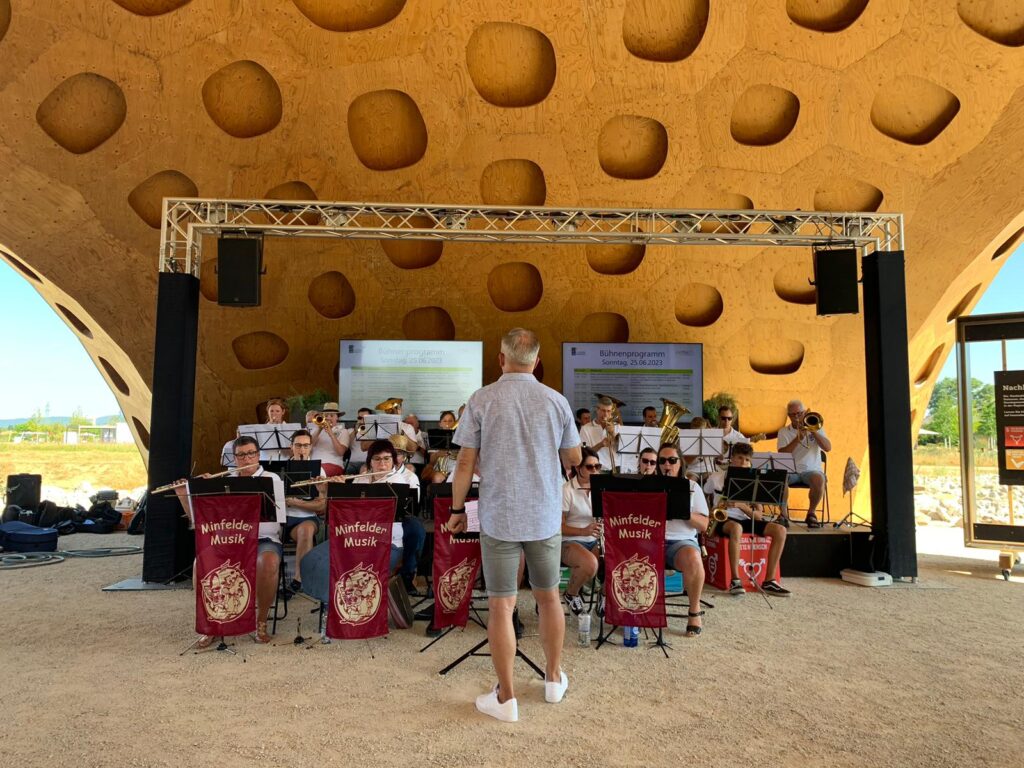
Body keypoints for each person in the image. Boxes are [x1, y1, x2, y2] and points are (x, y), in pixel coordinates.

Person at [449, 328, 581, 722]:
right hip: (543, 516)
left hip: (500, 516)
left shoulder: (481, 399)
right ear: (537, 362)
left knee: (501, 605)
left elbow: (464, 463)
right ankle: (553, 680)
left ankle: (506, 698)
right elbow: (574, 457)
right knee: (549, 598)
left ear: (500, 359)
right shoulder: (556, 400)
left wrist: (457, 509)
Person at [175, 435, 286, 645]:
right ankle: (212, 621)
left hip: (263, 538)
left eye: (251, 454)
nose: (246, 459)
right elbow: (199, 521)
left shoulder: (271, 479)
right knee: (201, 563)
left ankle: (260, 621)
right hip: (230, 541)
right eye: (241, 455)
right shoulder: (225, 480)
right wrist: (190, 492)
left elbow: (278, 518)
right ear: (234, 458)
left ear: (258, 455)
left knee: (269, 561)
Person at [703, 443, 790, 596]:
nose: (743, 463)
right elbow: (704, 495)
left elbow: (758, 515)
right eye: (740, 458)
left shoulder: (754, 482)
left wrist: (741, 505)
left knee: (780, 530)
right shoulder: (716, 477)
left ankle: (769, 581)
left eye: (747, 460)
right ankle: (735, 580)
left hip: (745, 518)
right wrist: (709, 511)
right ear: (732, 459)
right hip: (723, 519)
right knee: (736, 528)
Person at [352, 439, 425, 594]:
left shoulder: (399, 480)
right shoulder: (362, 477)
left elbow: (411, 508)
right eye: (377, 459)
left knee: (415, 528)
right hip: (363, 530)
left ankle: (407, 574)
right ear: (370, 461)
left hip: (388, 528)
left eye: (387, 459)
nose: (382, 464)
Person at [656, 442, 709, 637]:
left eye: (672, 460)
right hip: (651, 539)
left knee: (693, 558)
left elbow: (704, 525)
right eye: (662, 461)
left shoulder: (692, 487)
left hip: (680, 542)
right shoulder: (649, 484)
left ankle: (694, 611)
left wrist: (684, 511)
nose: (667, 465)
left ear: (680, 463)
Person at [282, 429, 325, 596]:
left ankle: (298, 580)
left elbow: (321, 506)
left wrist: (296, 502)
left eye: (306, 446)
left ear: (311, 447)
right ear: (291, 447)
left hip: (306, 518)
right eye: (298, 445)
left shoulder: (319, 470)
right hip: (281, 518)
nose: (302, 449)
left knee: (305, 530)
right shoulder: (281, 468)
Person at [561, 448, 602, 615]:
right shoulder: (566, 489)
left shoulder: (601, 487)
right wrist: (583, 531)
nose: (595, 471)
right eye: (589, 467)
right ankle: (571, 593)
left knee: (617, 558)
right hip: (569, 540)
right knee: (590, 564)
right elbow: (558, 527)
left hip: (595, 539)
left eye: (597, 466)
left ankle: (605, 595)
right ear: (578, 468)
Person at [777, 400, 832, 528]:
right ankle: (783, 515)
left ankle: (811, 514)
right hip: (791, 471)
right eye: (793, 415)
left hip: (811, 470)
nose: (796, 417)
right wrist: (798, 439)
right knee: (780, 478)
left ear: (805, 412)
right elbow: (782, 453)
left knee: (819, 479)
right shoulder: (784, 431)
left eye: (799, 413)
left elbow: (828, 448)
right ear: (788, 416)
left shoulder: (816, 426)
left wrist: (813, 431)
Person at [307, 402, 350, 477]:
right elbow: (308, 446)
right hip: (314, 464)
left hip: (333, 464)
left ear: (337, 417)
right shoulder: (316, 430)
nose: (328, 418)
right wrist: (319, 429)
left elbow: (341, 452)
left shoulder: (343, 431)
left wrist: (331, 433)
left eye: (332, 416)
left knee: (317, 472)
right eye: (326, 415)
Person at [578, 396, 618, 471]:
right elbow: (584, 453)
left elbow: (624, 449)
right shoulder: (585, 429)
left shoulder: (617, 427)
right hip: (596, 469)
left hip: (616, 468)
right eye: (603, 410)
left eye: (608, 411)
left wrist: (613, 434)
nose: (605, 414)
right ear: (597, 410)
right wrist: (601, 445)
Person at [346, 407, 372, 472]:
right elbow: (346, 445)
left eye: (365, 418)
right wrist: (355, 430)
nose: (362, 420)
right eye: (360, 418)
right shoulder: (350, 431)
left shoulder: (373, 432)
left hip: (367, 462)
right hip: (352, 463)